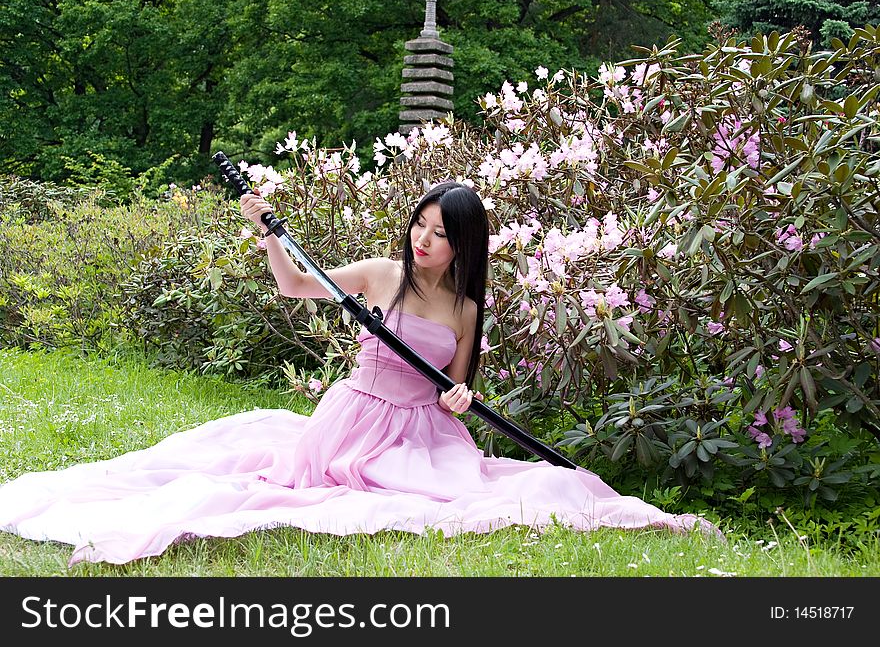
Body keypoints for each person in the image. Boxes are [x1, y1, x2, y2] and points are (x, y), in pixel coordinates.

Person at [0, 182, 720, 566]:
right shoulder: (380, 274)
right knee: (288, 485)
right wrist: (268, 232)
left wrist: (464, 399)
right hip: (354, 414)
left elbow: (455, 394)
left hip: (420, 432)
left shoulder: (467, 308)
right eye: (420, 225)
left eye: (441, 233)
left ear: (465, 242)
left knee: (461, 494)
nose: (424, 239)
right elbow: (295, 285)